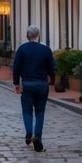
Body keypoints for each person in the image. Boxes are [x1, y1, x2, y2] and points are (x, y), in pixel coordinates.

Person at [12, 24, 55, 152]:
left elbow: (16, 68)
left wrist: (16, 84)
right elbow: (51, 68)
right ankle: (38, 137)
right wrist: (52, 80)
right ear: (38, 35)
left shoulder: (22, 49)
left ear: (28, 35)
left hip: (27, 85)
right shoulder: (46, 50)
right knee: (40, 112)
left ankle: (29, 132)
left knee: (27, 111)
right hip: (42, 85)